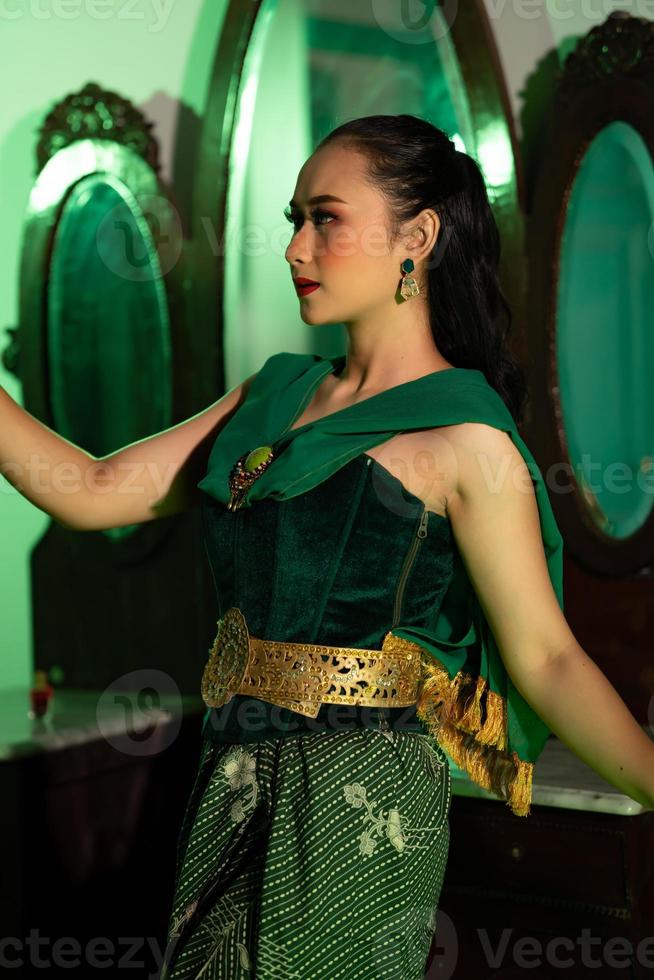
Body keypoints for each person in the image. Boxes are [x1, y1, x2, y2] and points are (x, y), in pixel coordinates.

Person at [2, 114, 653, 979]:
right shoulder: (273, 395)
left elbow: (547, 660)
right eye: (293, 220)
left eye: (325, 218)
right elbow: (90, 492)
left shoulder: (467, 442)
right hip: (228, 785)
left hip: (360, 805)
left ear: (416, 236)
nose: (296, 248)